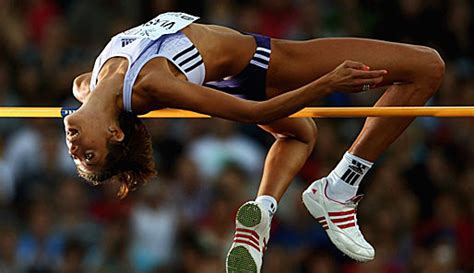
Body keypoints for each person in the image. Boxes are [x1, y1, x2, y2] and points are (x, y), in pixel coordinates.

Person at [64, 12, 445, 273]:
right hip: (266, 61)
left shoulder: (89, 84)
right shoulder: (149, 87)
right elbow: (254, 114)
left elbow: (91, 91)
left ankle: (261, 211)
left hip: (229, 72)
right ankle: (340, 188)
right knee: (427, 66)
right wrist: (325, 84)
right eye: (90, 156)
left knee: (301, 134)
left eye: (79, 156)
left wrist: (95, 103)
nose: (75, 150)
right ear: (115, 133)